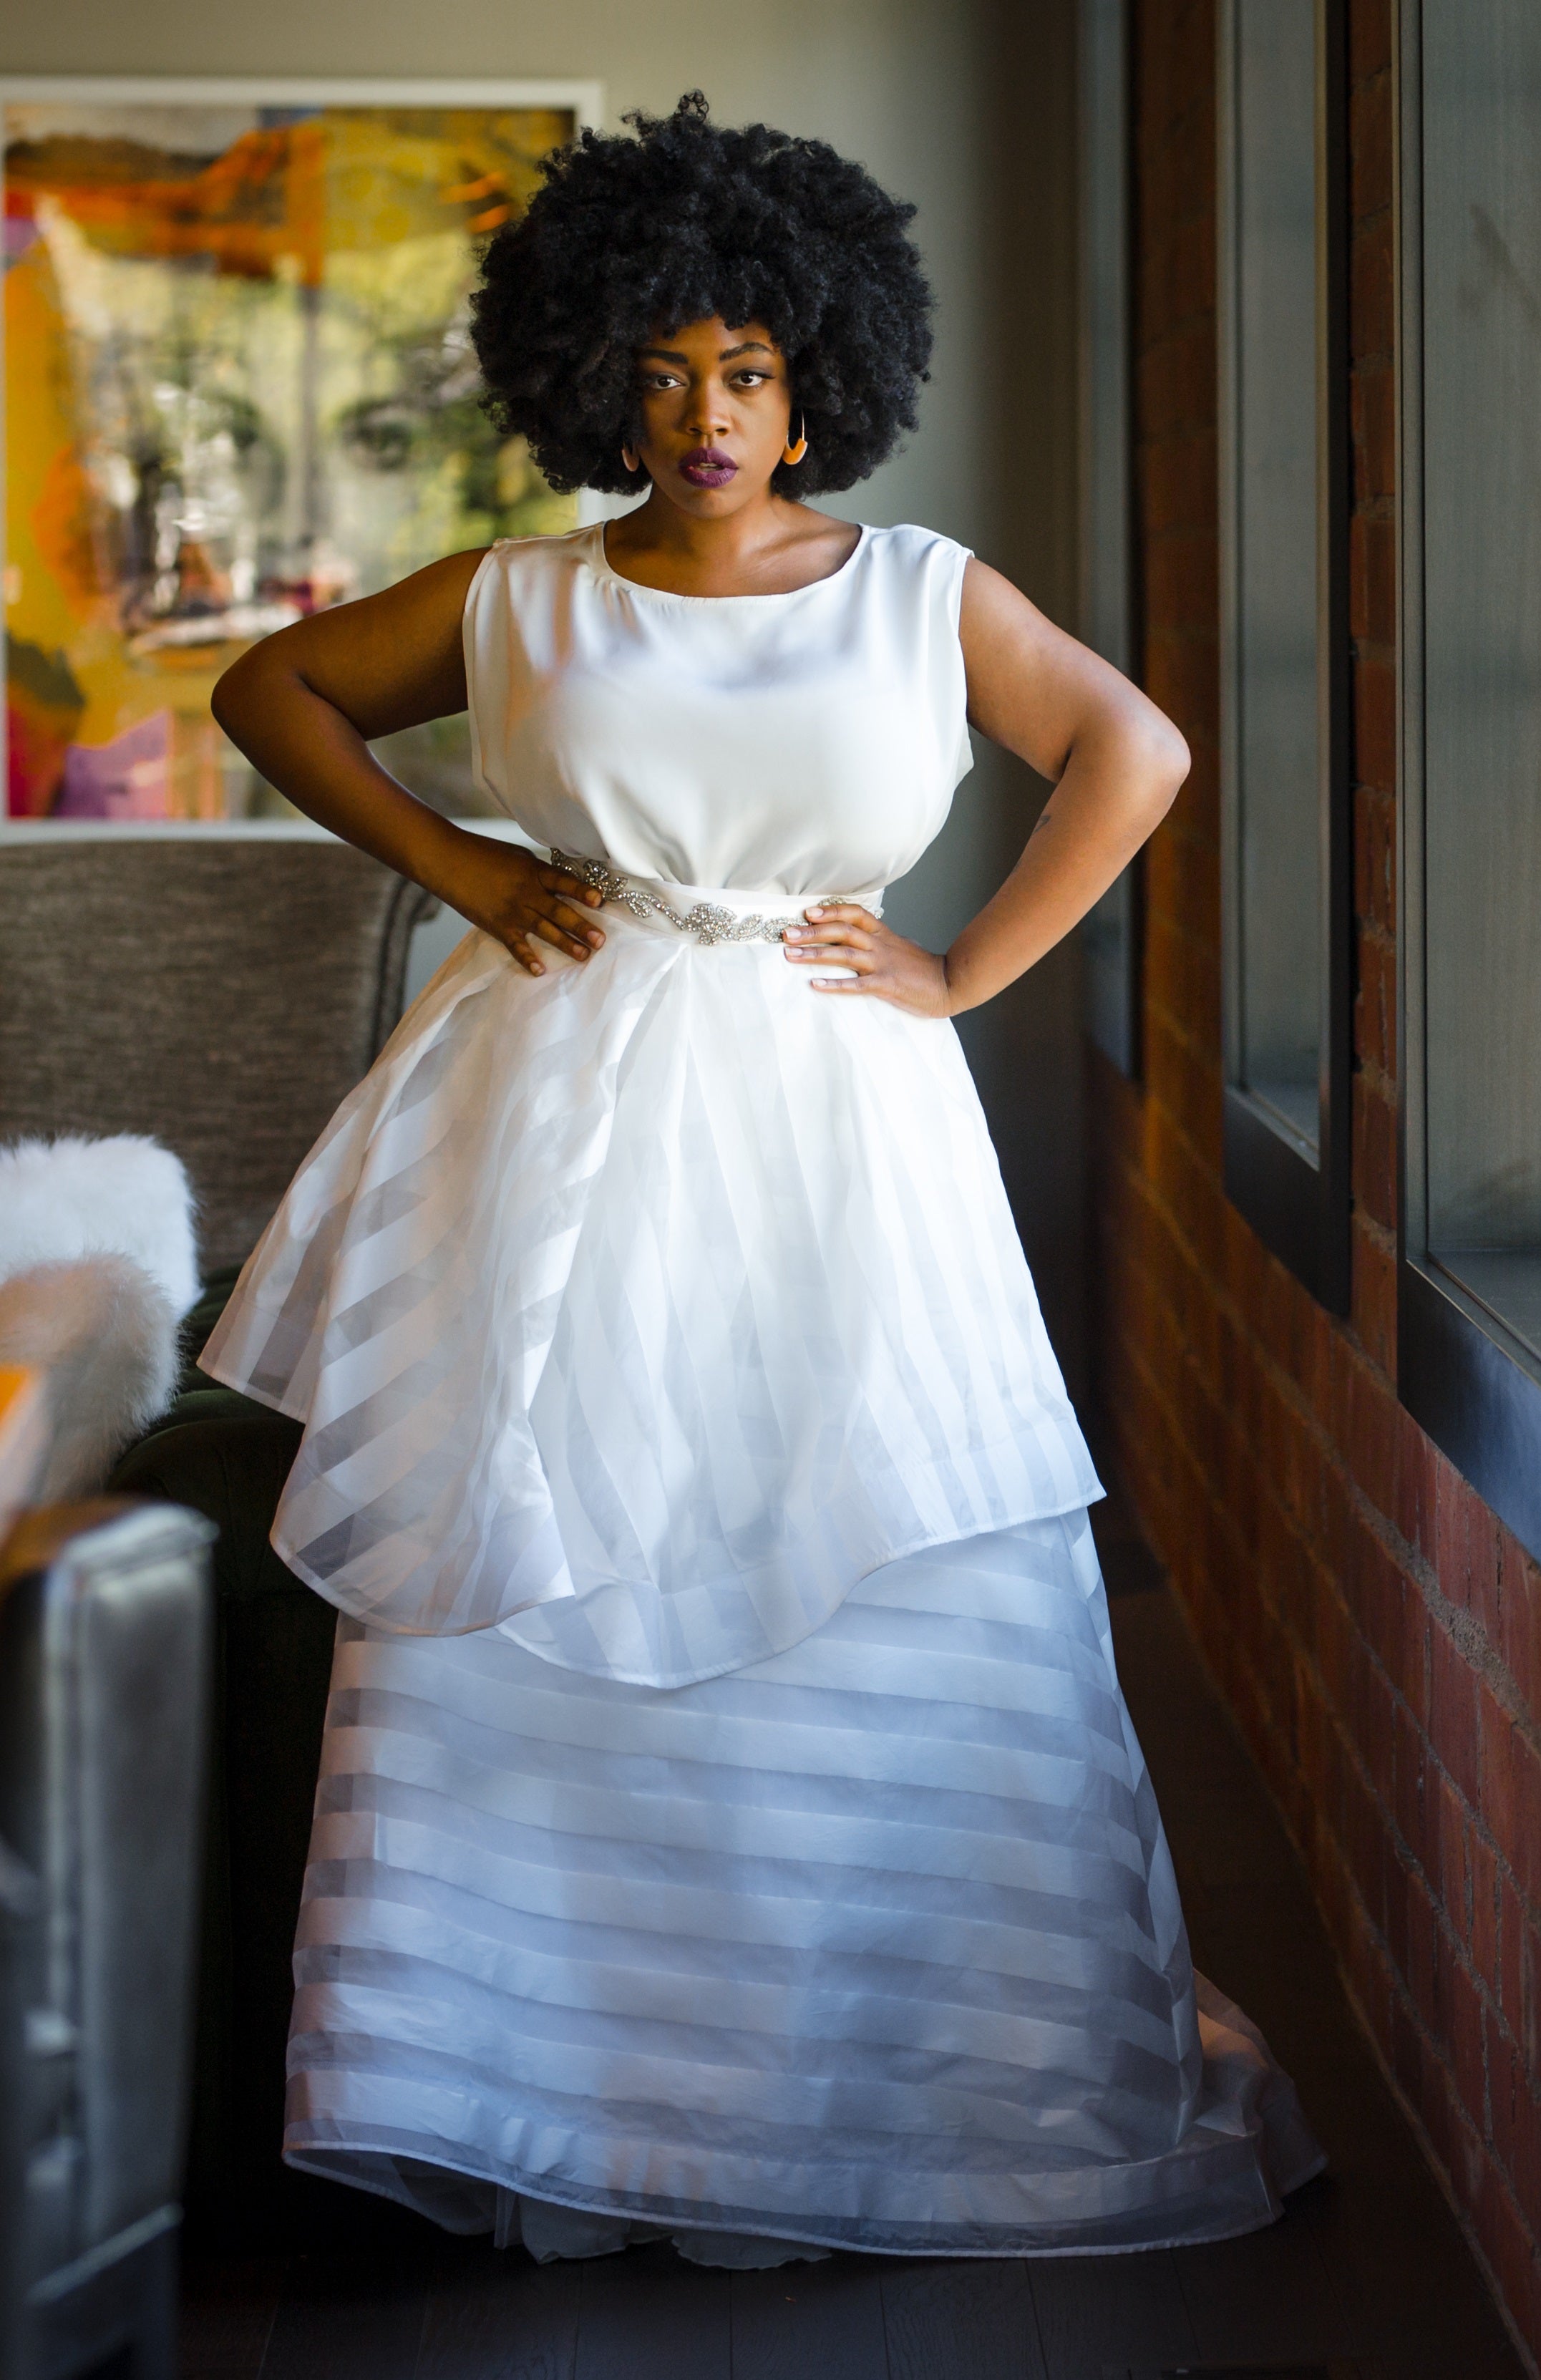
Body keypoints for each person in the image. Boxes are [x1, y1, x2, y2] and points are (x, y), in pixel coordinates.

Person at [204, 92, 1322, 2266]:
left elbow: (1139, 750)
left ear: (822, 368)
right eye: (656, 367)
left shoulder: (917, 592)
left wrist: (967, 968)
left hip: (834, 1125)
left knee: (867, 1518)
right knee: (552, 1533)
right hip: (548, 1125)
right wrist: (461, 869)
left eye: (744, 368)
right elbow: (271, 690)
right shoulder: (521, 597)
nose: (702, 411)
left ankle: (874, 2082)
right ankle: (552, 2083)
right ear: (588, 363)